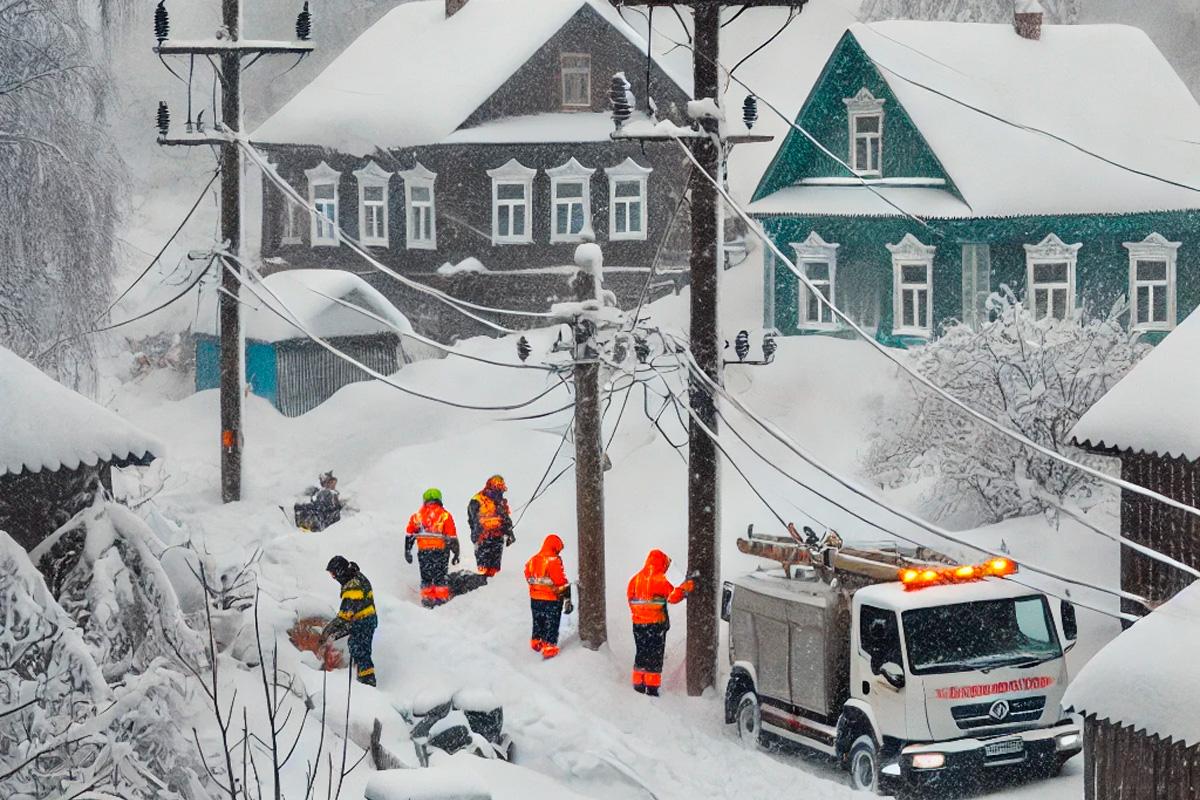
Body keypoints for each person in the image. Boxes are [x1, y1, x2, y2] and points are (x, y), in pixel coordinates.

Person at [626, 550, 694, 696]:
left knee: (641, 652)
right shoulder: (660, 580)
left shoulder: (635, 579)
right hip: (655, 625)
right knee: (655, 656)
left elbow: (630, 599)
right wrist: (686, 587)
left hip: (638, 624)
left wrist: (639, 614)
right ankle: (651, 686)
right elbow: (673, 597)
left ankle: (638, 682)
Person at [320, 556, 377, 686]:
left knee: (360, 651)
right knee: (358, 648)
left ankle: (367, 682)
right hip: (364, 620)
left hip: (363, 622)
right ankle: (365, 679)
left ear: (340, 571)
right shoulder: (355, 577)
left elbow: (345, 615)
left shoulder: (353, 586)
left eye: (333, 574)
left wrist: (328, 630)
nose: (333, 578)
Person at [405, 488, 459, 607]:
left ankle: (427, 600)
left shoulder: (417, 516)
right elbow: (452, 537)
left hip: (424, 553)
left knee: (426, 578)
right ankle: (441, 601)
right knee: (440, 578)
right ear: (439, 499)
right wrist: (456, 553)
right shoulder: (445, 515)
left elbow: (409, 535)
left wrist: (407, 551)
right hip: (441, 552)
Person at [523, 534, 572, 659]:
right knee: (551, 622)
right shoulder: (553, 560)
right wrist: (566, 591)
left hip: (535, 599)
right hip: (551, 599)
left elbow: (527, 574)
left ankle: (536, 641)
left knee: (538, 620)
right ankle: (549, 647)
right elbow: (560, 580)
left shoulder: (533, 559)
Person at [468, 475, 515, 577]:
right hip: (483, 538)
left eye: (501, 490)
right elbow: (472, 520)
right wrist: (476, 535)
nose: (500, 492)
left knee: (495, 570)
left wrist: (510, 534)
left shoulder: (500, 502)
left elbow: (505, 519)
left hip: (497, 538)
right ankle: (481, 587)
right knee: (483, 568)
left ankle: (492, 588)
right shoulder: (477, 500)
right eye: (498, 489)